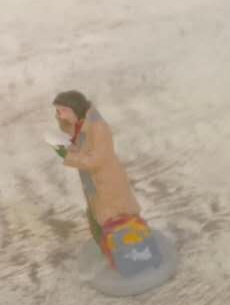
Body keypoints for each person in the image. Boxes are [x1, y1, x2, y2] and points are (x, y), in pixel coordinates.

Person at [50, 91, 175, 291]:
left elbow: (95, 160)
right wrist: (64, 134)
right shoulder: (80, 124)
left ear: (75, 108)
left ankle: (130, 255)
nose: (60, 115)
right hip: (93, 185)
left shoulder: (98, 128)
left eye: (63, 110)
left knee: (118, 218)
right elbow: (79, 145)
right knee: (97, 220)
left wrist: (66, 155)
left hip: (107, 184)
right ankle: (112, 253)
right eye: (58, 111)